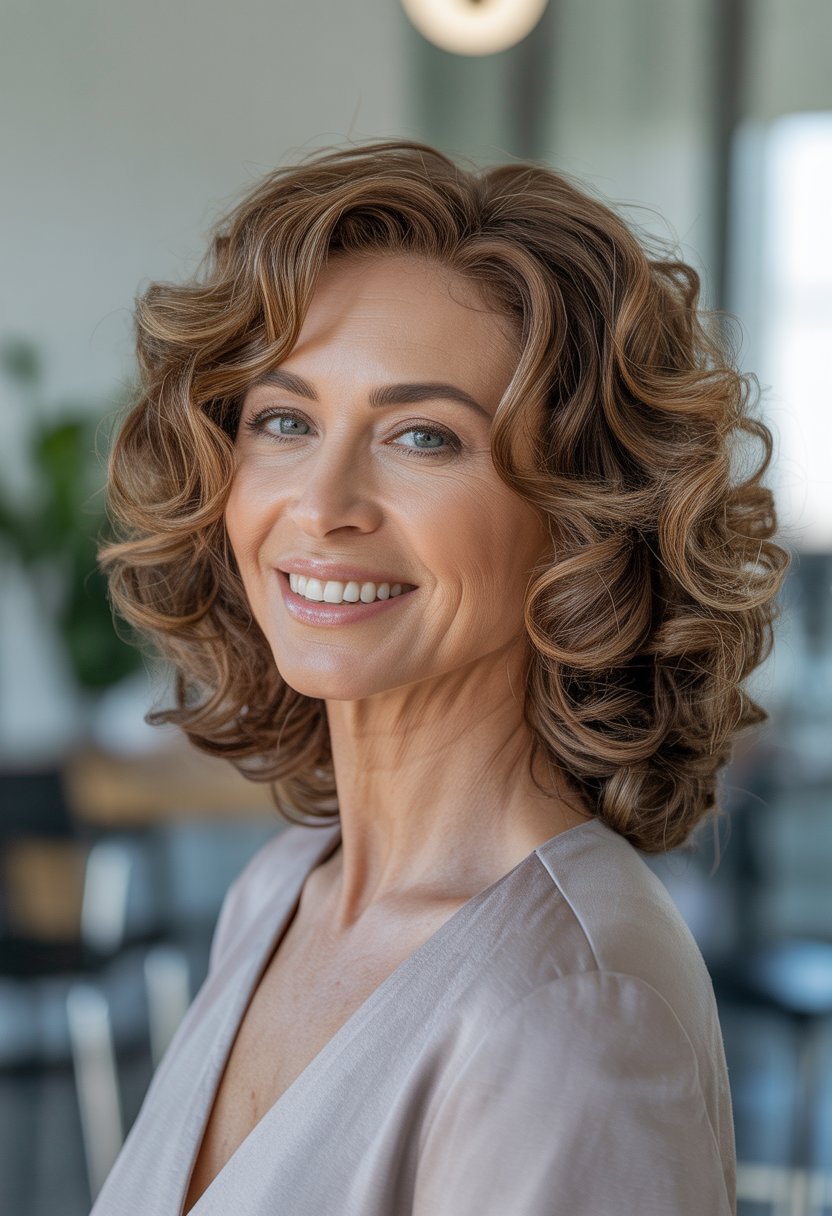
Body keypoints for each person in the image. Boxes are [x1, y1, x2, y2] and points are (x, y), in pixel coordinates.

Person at [92, 138, 789, 1215]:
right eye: (284, 419)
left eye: (423, 436)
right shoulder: (279, 891)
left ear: (581, 519)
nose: (322, 505)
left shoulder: (574, 1011)